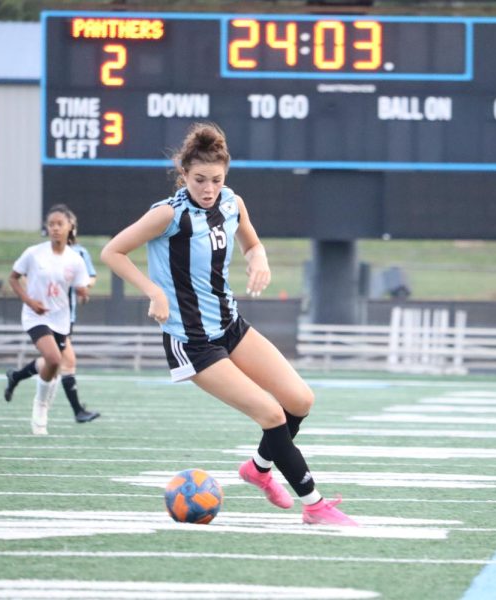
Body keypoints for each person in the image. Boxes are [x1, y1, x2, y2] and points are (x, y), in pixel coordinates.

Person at [101, 122, 357, 526]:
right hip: (193, 342)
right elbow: (112, 252)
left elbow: (251, 243)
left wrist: (260, 259)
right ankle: (315, 505)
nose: (208, 188)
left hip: (231, 326)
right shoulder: (168, 215)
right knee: (271, 414)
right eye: (199, 179)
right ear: (183, 175)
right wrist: (153, 291)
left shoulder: (232, 203)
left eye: (216, 180)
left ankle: (257, 469)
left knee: (300, 401)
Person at [4, 207, 100, 423]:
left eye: (60, 224)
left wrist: (83, 293)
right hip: (35, 315)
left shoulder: (76, 259)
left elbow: (81, 288)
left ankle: (16, 376)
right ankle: (45, 407)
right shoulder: (34, 253)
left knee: (53, 364)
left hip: (61, 319)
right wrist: (29, 301)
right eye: (51, 224)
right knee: (56, 359)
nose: (55, 228)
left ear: (70, 227)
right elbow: (13, 278)